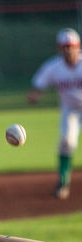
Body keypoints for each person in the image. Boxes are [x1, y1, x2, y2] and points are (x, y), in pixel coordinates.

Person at [28, 27, 82, 199]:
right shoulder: (54, 66)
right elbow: (38, 85)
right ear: (59, 48)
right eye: (64, 46)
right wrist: (35, 94)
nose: (67, 49)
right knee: (66, 142)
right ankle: (63, 182)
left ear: (77, 46)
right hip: (70, 110)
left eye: (70, 46)